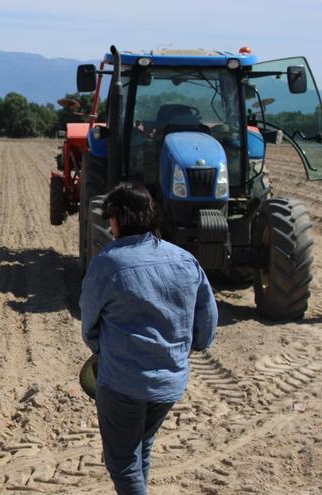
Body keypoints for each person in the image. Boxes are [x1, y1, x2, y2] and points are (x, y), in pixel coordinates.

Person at [79, 182, 217, 495]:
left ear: (117, 218)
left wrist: (101, 349)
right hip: (169, 384)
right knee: (142, 445)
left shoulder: (107, 262)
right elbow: (207, 320)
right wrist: (192, 347)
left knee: (123, 462)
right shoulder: (184, 259)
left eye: (110, 219)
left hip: (122, 383)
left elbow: (89, 321)